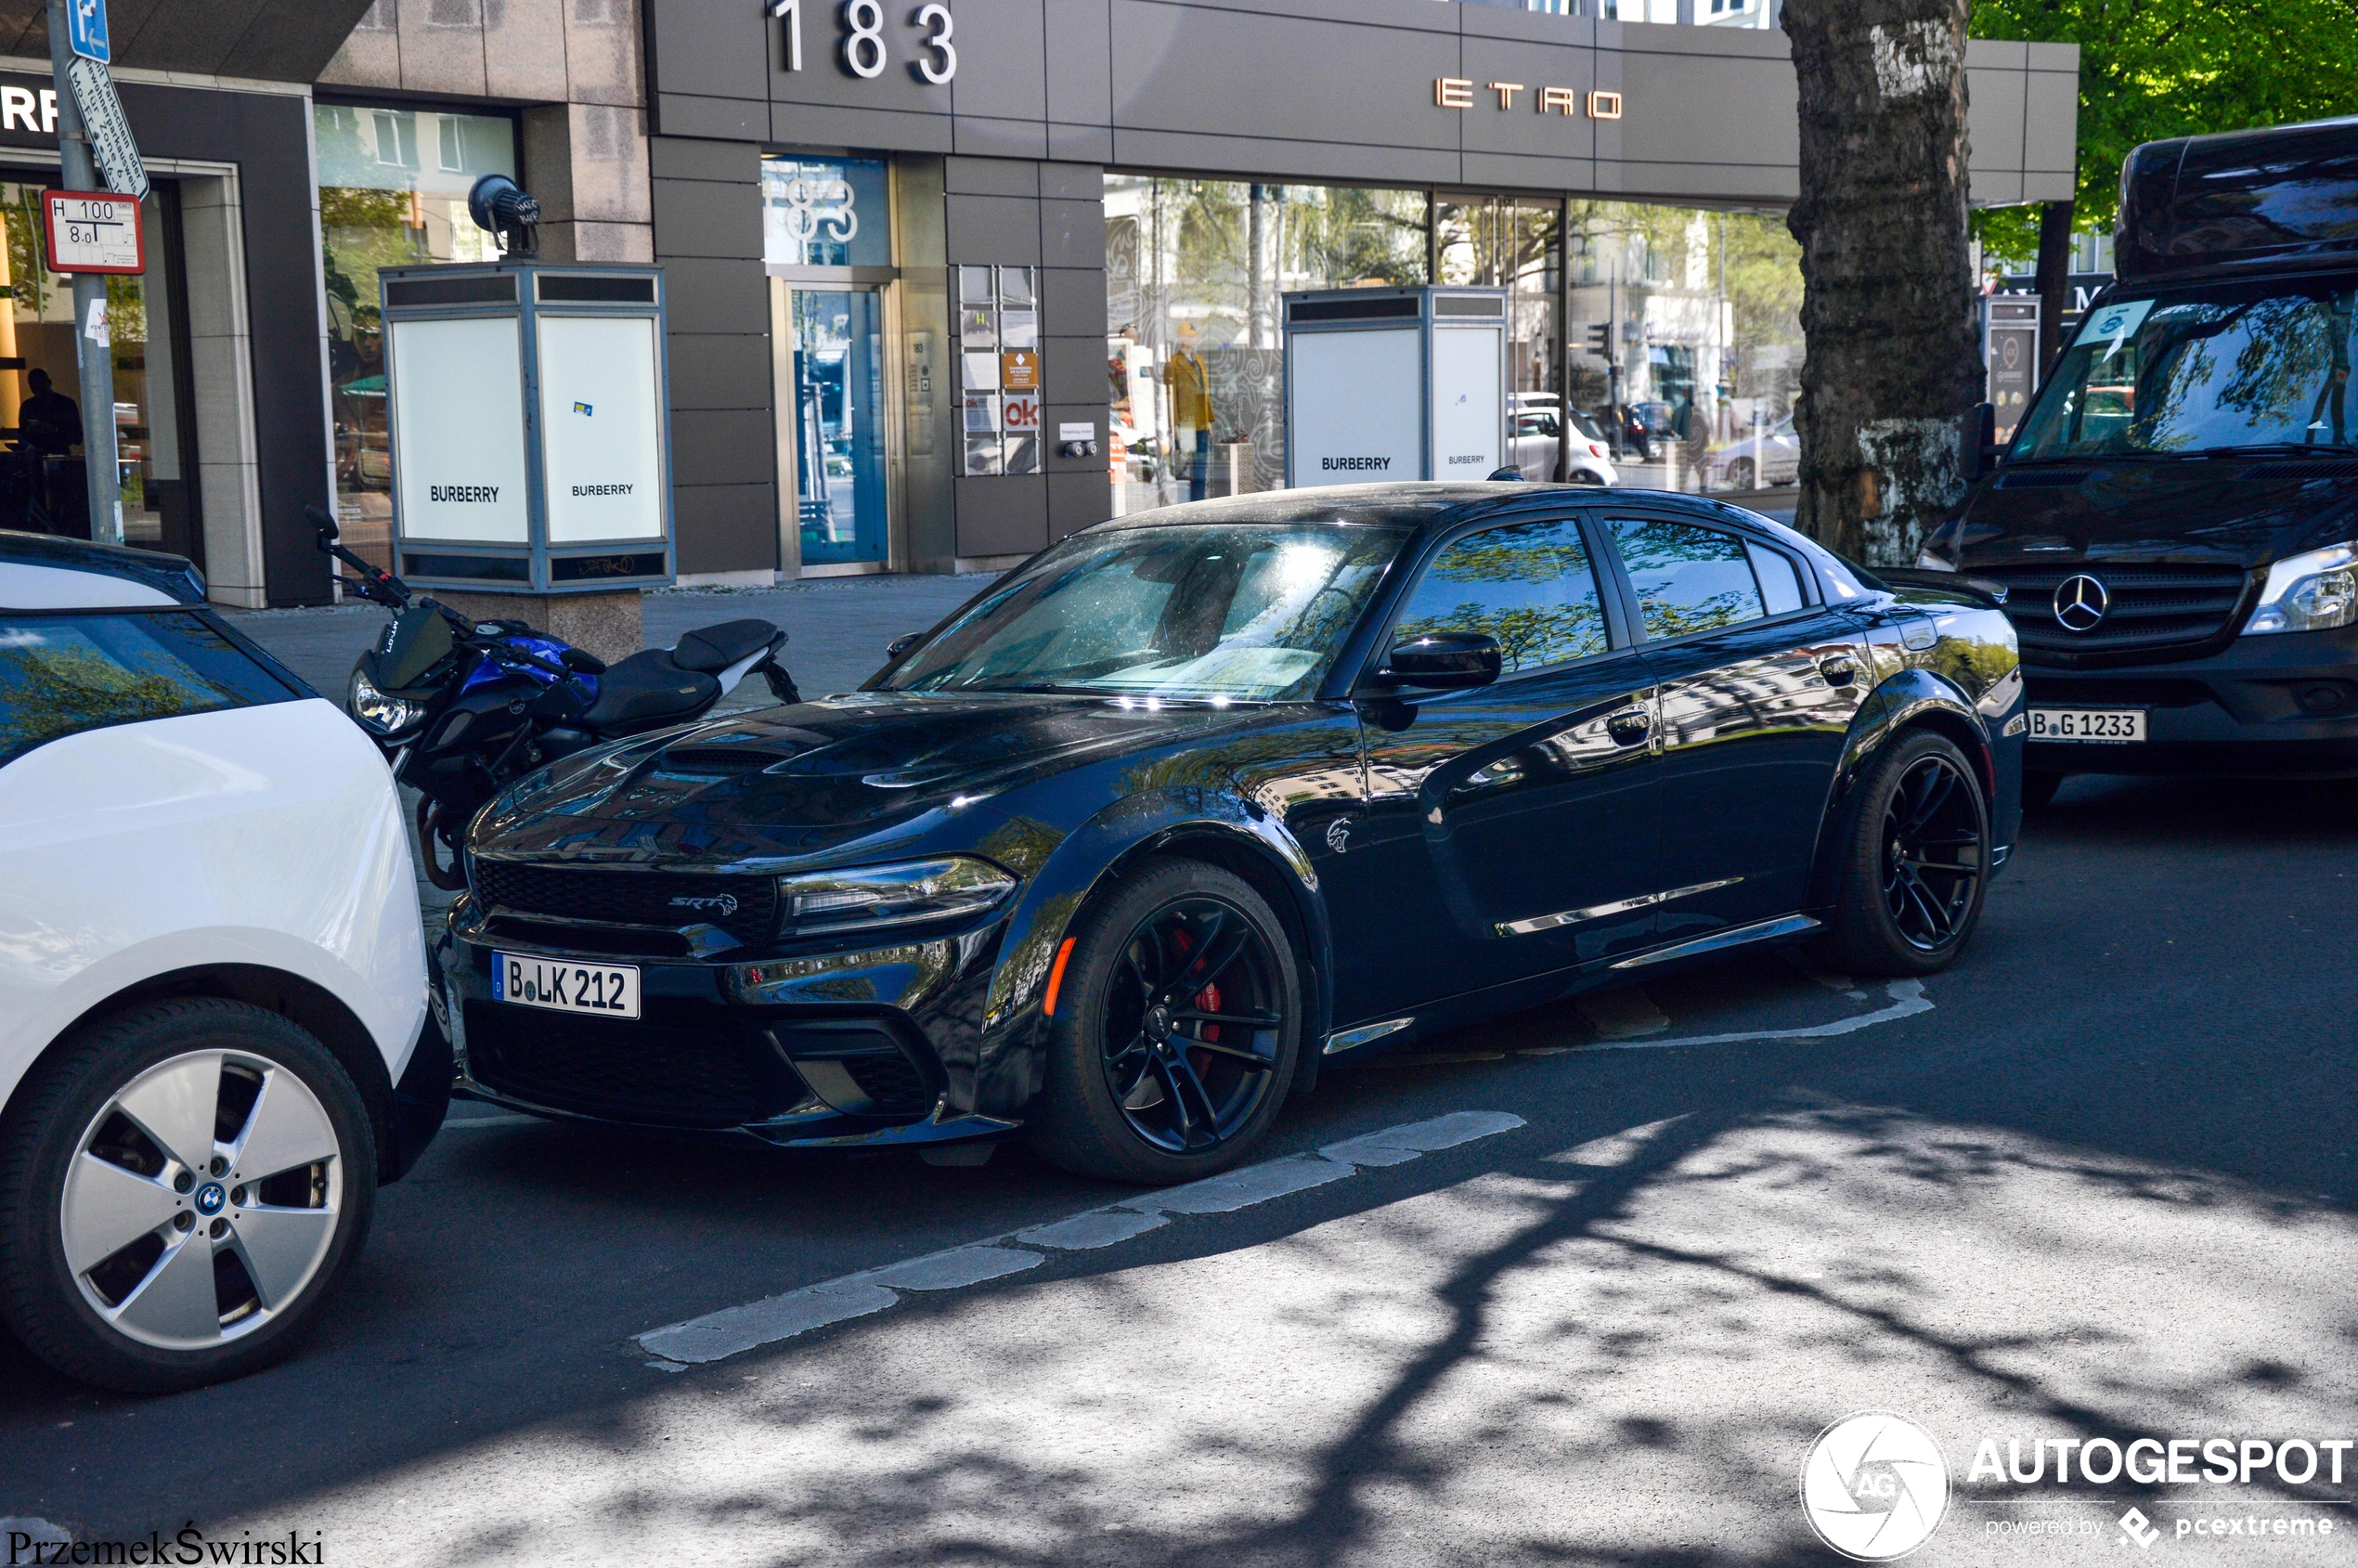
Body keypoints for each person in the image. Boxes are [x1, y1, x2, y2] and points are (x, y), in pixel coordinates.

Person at [19, 369, 82, 457]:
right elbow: (22, 434)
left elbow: (77, 436)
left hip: (55, 453)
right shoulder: (66, 403)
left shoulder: (66, 404)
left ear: (48, 382)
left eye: (39, 383)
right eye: (33, 384)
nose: (35, 387)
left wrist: (54, 430)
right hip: (41, 456)